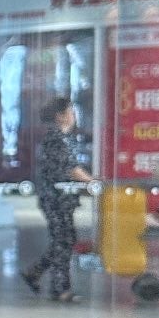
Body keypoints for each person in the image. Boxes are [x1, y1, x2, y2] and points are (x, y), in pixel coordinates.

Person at [23, 95, 93, 303]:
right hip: (55, 198)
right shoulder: (56, 138)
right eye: (70, 112)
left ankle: (35, 273)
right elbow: (71, 168)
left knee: (64, 240)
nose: (73, 116)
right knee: (63, 240)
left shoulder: (64, 138)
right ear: (60, 116)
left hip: (62, 198)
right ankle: (59, 288)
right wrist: (93, 182)